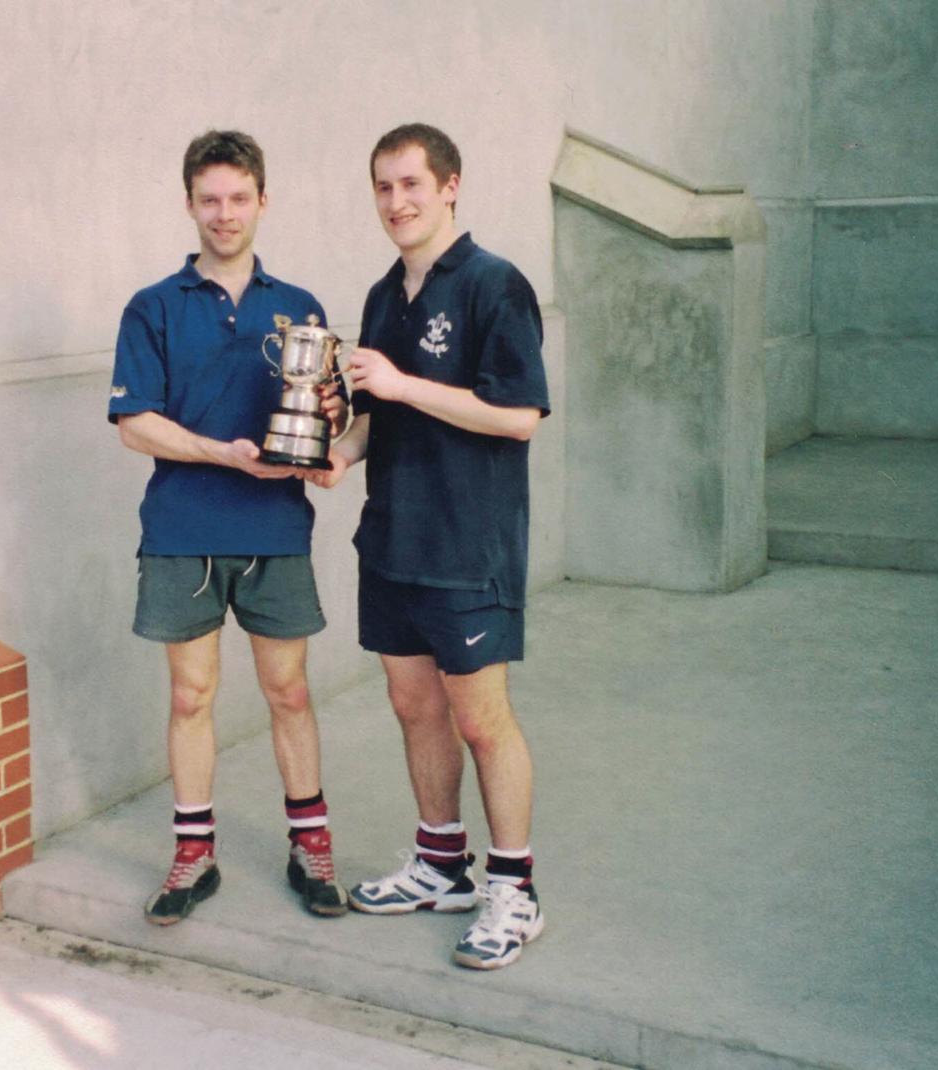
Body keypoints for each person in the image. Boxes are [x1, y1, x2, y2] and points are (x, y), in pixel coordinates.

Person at [307, 123, 550, 969]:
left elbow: (519, 417)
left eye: (410, 184)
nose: (396, 202)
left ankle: (512, 891)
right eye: (382, 187)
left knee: (482, 722)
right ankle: (441, 863)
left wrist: (407, 384)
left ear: (450, 185)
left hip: (467, 545)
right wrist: (335, 453)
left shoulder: (494, 285)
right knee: (414, 708)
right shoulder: (382, 296)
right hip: (393, 541)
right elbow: (377, 416)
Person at [109, 130, 349, 926]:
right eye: (208, 199)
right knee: (191, 695)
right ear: (189, 205)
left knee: (287, 690)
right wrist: (219, 453)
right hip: (182, 527)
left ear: (261, 203)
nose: (223, 213)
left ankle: (310, 845)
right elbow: (134, 424)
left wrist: (324, 441)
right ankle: (193, 854)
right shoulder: (152, 307)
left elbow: (329, 415)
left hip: (276, 526)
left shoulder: (299, 307)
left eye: (238, 198)